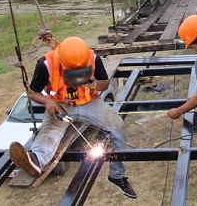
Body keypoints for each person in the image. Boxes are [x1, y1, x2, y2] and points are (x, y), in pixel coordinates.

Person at [9, 36, 137, 199]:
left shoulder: (93, 58)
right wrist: (48, 101)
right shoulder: (46, 64)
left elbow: (104, 83)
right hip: (61, 105)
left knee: (116, 125)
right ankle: (36, 160)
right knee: (49, 132)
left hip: (89, 103)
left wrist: (94, 84)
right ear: (62, 63)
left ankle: (117, 176)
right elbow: (32, 93)